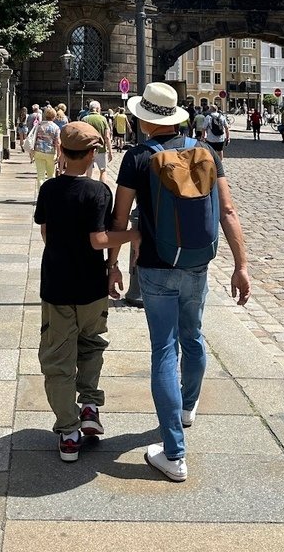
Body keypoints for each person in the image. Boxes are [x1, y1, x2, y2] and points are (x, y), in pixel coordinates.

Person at [111, 82, 251, 483]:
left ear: (144, 118)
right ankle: (188, 408)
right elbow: (227, 210)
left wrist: (113, 264)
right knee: (193, 337)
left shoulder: (138, 157)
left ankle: (173, 454)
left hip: (156, 266)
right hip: (197, 265)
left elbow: (120, 219)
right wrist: (241, 266)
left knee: (164, 352)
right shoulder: (206, 151)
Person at [34, 122, 140, 463]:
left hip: (57, 285)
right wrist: (134, 236)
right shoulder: (99, 192)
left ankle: (68, 431)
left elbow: (47, 234)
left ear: (61, 152)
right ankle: (90, 406)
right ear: (93, 154)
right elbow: (100, 240)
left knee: (58, 356)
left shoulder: (48, 189)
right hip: (92, 285)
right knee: (92, 342)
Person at [82, 101, 113, 182]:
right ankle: (102, 189)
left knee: (88, 170)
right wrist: (110, 151)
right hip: (101, 149)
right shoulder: (103, 119)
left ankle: (88, 188)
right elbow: (107, 137)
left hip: (88, 149)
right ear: (98, 109)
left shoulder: (85, 119)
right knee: (103, 171)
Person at [32, 107, 61, 191]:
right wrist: (59, 154)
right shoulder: (56, 128)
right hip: (50, 152)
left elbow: (34, 137)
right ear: (54, 116)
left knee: (40, 175)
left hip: (39, 151)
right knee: (51, 176)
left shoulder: (39, 125)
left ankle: (41, 195)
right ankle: (50, 195)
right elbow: (58, 142)